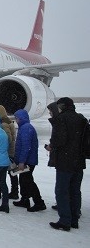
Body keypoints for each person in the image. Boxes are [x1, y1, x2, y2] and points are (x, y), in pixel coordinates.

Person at [46, 97, 86, 231]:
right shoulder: (81, 118)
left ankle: (64, 221)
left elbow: (59, 140)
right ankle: (74, 219)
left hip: (65, 161)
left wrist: (52, 146)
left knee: (62, 191)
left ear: (61, 106)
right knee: (75, 191)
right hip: (79, 161)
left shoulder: (61, 119)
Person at [12, 109, 46, 212]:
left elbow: (26, 147)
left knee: (28, 181)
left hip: (28, 161)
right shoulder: (24, 127)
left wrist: (22, 161)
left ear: (21, 118)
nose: (16, 120)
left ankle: (39, 202)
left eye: (17, 118)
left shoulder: (26, 128)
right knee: (23, 180)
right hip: (27, 160)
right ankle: (25, 199)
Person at [0, 105, 19, 200]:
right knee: (11, 172)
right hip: (10, 150)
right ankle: (14, 191)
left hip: (7, 151)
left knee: (2, 172)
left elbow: (8, 138)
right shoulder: (8, 121)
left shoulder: (3, 124)